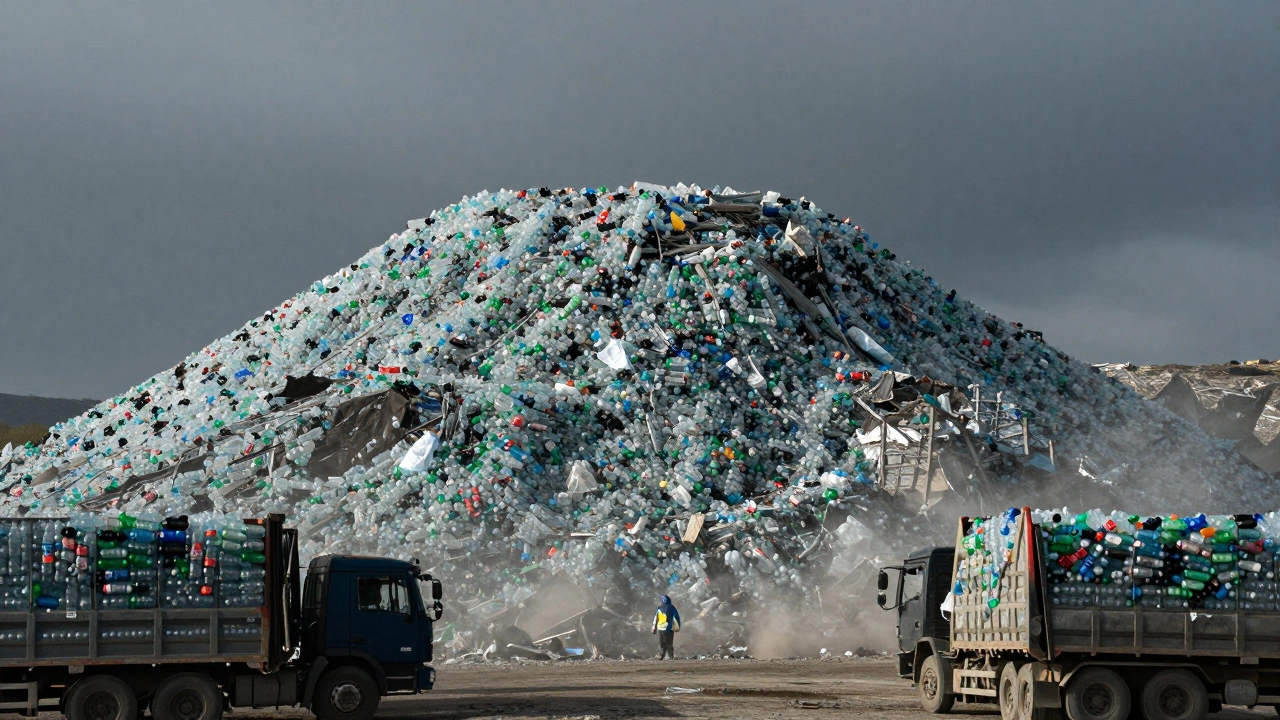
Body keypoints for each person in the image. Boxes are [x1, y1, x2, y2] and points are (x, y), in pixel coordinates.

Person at [651, 594, 681, 660]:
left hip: (661, 628)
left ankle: (664, 656)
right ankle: (670, 656)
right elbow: (677, 617)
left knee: (662, 643)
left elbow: (656, 618)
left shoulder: (659, 608)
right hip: (668, 628)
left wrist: (654, 627)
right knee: (668, 643)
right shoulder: (672, 608)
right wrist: (678, 626)